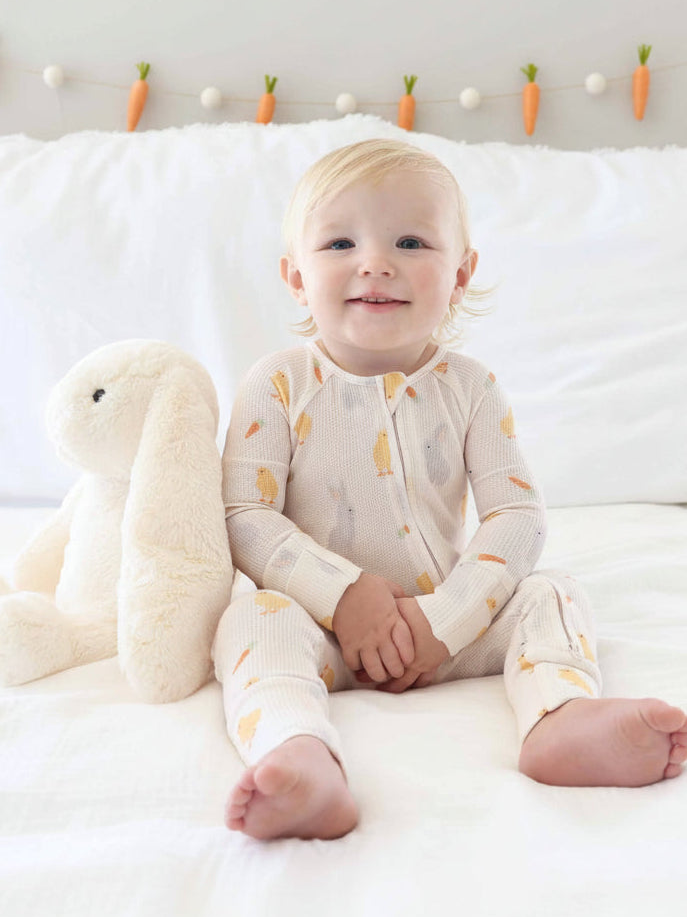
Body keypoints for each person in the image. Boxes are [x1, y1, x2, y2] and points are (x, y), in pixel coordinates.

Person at [212, 138, 687, 841]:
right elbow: (245, 516)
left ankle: (558, 716)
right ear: (294, 275)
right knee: (249, 623)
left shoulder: (470, 388)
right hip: (323, 629)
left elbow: (515, 515)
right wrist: (344, 595)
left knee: (549, 590)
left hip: (444, 625)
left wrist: (448, 618)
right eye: (339, 242)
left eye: (409, 240)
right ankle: (298, 753)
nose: (374, 262)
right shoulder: (276, 384)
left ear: (461, 273)